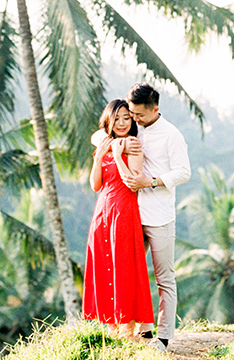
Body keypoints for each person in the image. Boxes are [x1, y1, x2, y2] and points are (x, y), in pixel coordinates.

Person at [116, 83, 191, 353]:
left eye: (139, 115)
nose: (134, 119)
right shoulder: (135, 128)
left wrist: (152, 181)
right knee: (132, 273)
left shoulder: (171, 135)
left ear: (155, 109)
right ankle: (142, 327)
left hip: (159, 216)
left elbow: (184, 172)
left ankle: (164, 337)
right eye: (131, 114)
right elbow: (104, 133)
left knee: (164, 278)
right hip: (132, 213)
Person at [82, 99, 154, 339]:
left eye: (127, 117)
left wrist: (117, 154)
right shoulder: (105, 144)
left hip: (125, 212)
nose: (122, 123)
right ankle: (111, 325)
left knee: (124, 267)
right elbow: (95, 185)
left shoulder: (132, 145)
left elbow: (131, 183)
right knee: (105, 266)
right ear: (109, 121)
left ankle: (128, 326)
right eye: (117, 118)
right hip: (102, 212)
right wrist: (99, 156)